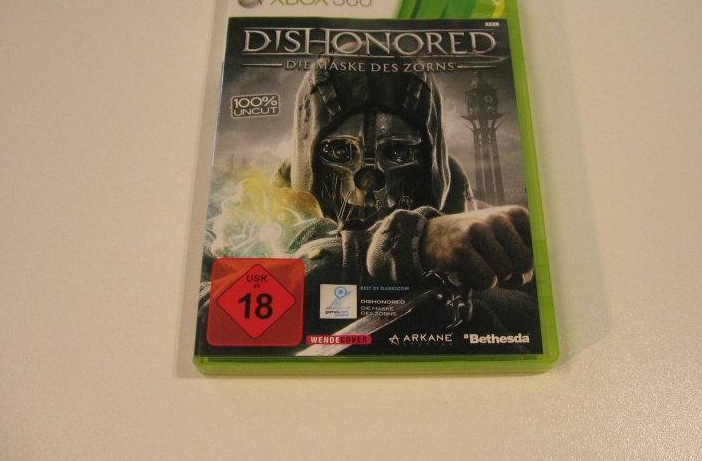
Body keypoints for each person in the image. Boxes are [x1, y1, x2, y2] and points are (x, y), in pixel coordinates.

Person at [198, 53, 541, 354]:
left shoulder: (488, 232)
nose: (369, 180)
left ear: (429, 160)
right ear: (308, 156)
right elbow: (206, 322)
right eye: (339, 151)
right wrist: (401, 245)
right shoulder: (237, 230)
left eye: (400, 151)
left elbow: (531, 324)